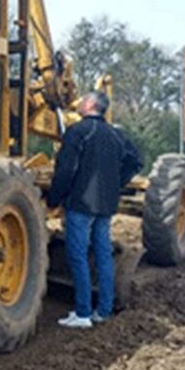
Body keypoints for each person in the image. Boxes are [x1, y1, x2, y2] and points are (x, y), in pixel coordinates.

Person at [47, 91, 143, 329]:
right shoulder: (116, 134)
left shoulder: (78, 132)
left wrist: (54, 198)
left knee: (77, 256)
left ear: (90, 104)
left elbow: (66, 170)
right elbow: (136, 161)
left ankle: (82, 313)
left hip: (81, 203)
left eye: (82, 100)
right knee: (103, 255)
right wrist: (116, 183)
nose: (78, 103)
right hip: (106, 204)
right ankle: (104, 310)